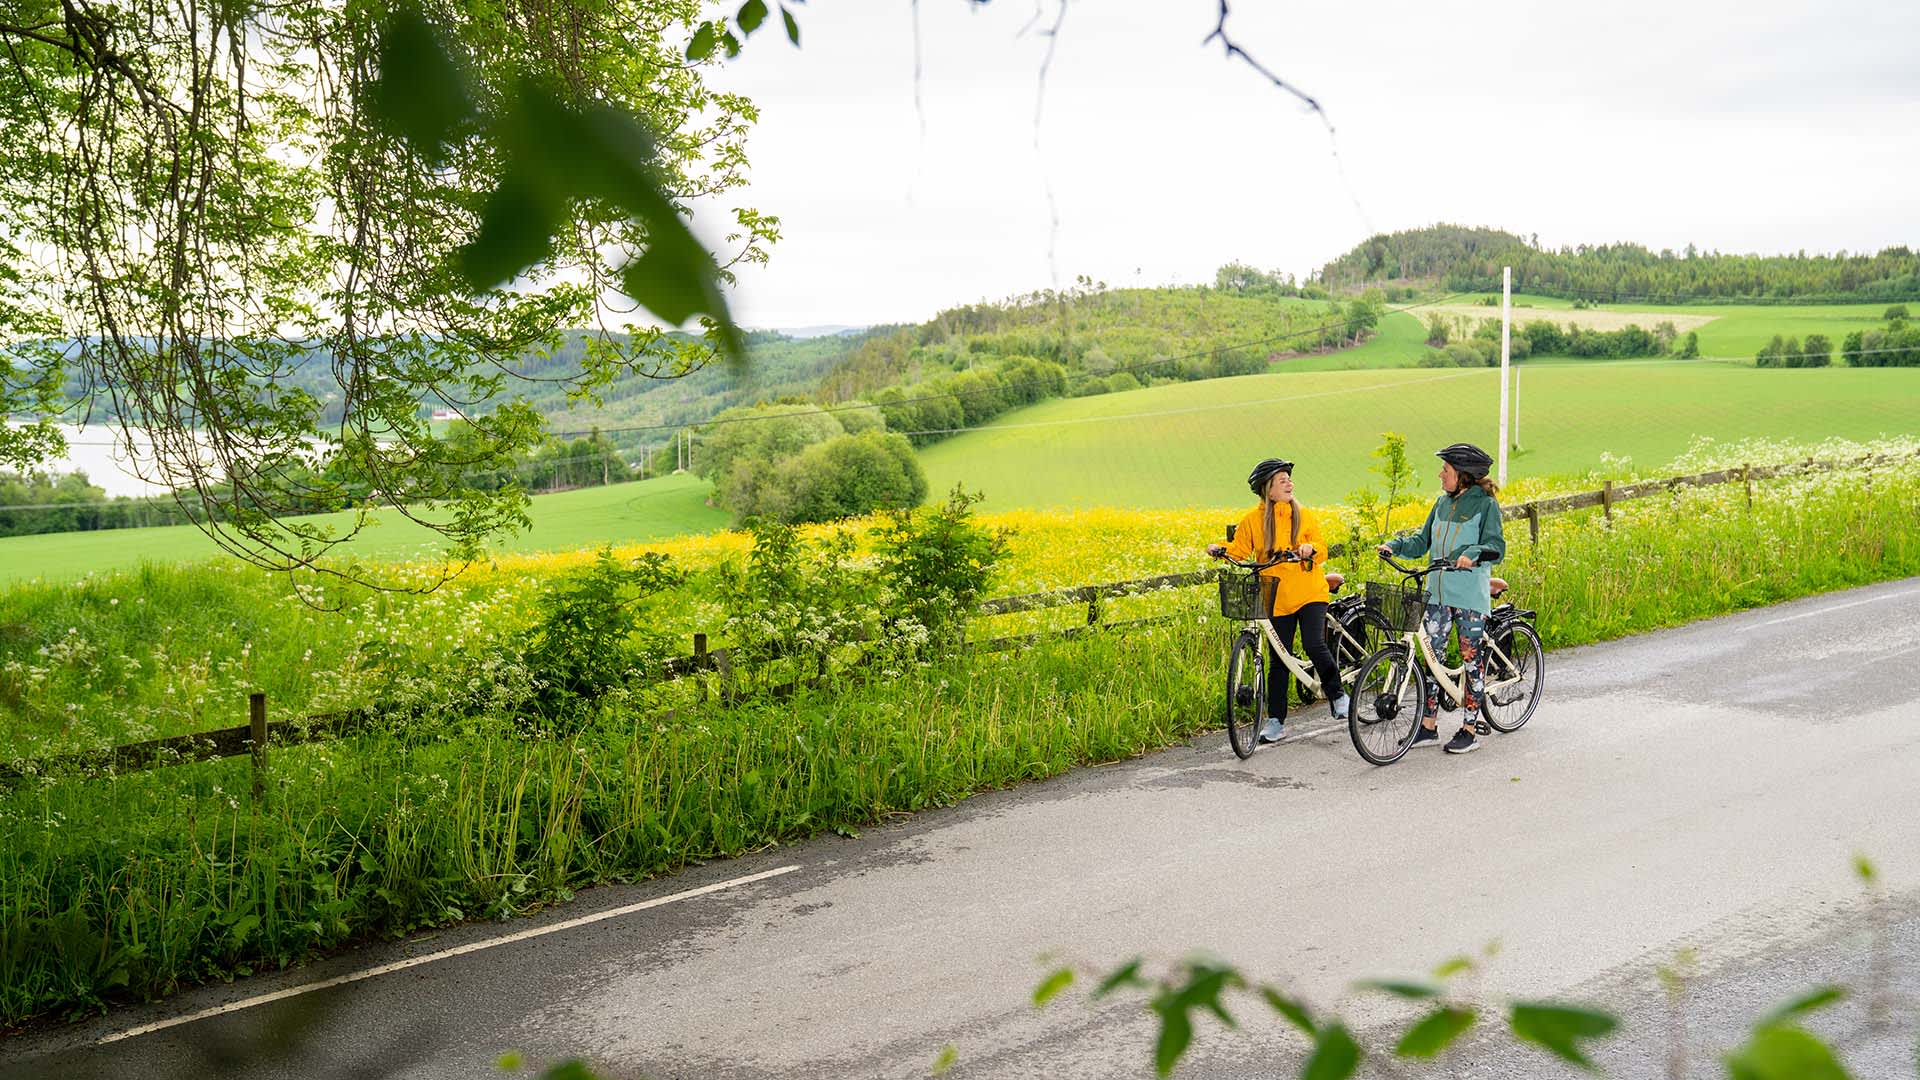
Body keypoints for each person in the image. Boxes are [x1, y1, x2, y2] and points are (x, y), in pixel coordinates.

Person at [1376, 442, 1506, 754]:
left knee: (1471, 660)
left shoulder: (1485, 505)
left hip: (1469, 595)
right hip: (1437, 593)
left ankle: (1470, 728)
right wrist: (1395, 545)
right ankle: (1428, 726)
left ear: (1463, 475)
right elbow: (1422, 541)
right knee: (1431, 659)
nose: (1440, 475)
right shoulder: (1441, 503)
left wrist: (1471, 554)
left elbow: (1495, 546)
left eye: (1445, 470)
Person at [1207, 457, 1348, 743]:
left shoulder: (1303, 515)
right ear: (1267, 490)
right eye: (1282, 480)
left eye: (1289, 479)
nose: (1289, 483)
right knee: (1278, 660)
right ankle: (1275, 721)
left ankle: (1337, 695)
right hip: (1276, 597)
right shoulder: (1252, 521)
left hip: (1309, 591)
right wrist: (1220, 550)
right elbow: (1239, 550)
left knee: (1313, 643)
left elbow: (1321, 548)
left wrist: (1310, 548)